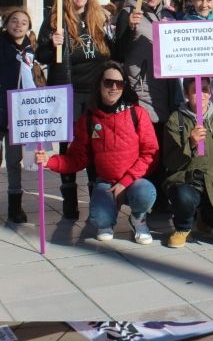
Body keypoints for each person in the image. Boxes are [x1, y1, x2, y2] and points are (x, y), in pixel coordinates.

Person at [34, 62, 158, 243]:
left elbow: (150, 153)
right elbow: (77, 158)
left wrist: (125, 182)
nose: (114, 87)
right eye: (108, 82)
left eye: (119, 83)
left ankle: (138, 218)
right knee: (99, 219)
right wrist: (49, 161)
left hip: (133, 181)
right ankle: (108, 218)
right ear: (99, 84)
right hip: (106, 183)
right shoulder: (89, 119)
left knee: (146, 193)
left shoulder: (137, 114)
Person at [36, 0, 114, 219]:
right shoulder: (54, 19)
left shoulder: (100, 18)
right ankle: (69, 198)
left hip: (95, 95)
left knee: (94, 145)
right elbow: (41, 57)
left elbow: (116, 50)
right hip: (67, 92)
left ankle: (95, 201)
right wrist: (52, 44)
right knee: (68, 147)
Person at [114, 0, 180, 211]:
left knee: (163, 146)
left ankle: (161, 199)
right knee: (146, 147)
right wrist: (130, 28)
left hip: (166, 90)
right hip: (141, 90)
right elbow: (117, 51)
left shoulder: (170, 15)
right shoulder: (130, 12)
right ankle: (144, 198)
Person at [162, 77, 213, 248]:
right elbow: (170, 162)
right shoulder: (175, 120)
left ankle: (205, 217)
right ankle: (183, 227)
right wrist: (191, 143)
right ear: (186, 94)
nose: (201, 95)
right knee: (183, 196)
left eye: (205, 90)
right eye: (195, 91)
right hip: (188, 183)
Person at [0, 8, 39, 223]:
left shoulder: (29, 49)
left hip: (17, 114)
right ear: (6, 24)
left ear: (28, 27)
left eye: (23, 22)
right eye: (14, 21)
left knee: (14, 161)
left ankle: (15, 206)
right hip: (0, 108)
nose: (18, 25)